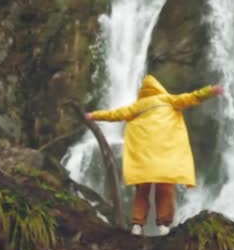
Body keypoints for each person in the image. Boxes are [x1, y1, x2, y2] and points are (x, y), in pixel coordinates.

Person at [85, 75, 223, 236]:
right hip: (164, 155)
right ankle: (164, 225)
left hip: (143, 158)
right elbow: (192, 97)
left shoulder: (137, 107)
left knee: (142, 191)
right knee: (164, 190)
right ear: (158, 88)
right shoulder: (169, 100)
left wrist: (94, 115)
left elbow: (115, 114)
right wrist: (210, 91)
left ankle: (137, 224)